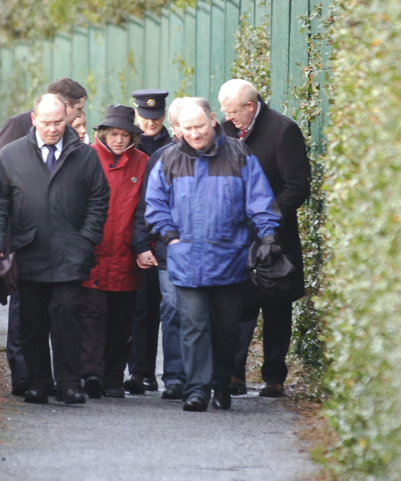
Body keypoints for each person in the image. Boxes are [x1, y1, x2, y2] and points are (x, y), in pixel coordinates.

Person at [145, 97, 280, 412]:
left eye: (199, 127)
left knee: (226, 327)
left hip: (229, 259)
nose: (194, 134)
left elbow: (259, 199)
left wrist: (268, 234)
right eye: (188, 129)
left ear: (213, 121)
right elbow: (155, 203)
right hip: (186, 260)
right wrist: (169, 235)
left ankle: (221, 384)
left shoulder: (239, 155)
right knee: (193, 326)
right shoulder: (169, 160)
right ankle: (197, 390)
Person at [0, 94, 109, 405]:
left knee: (67, 314)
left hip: (71, 253)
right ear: (34, 120)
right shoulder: (12, 155)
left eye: (58, 122)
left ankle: (69, 383)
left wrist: (87, 239)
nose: (53, 129)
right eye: (47, 122)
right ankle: (39, 381)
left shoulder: (84, 155)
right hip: (28, 250)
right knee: (32, 319)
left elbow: (98, 199)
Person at [218, 79, 311, 398]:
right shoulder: (225, 130)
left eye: (232, 111)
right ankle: (234, 375)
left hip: (276, 237)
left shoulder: (283, 130)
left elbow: (298, 186)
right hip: (237, 236)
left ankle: (274, 377)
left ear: (251, 106)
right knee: (238, 306)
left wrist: (267, 216)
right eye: (224, 111)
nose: (227, 117)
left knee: (276, 307)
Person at [80, 105, 149, 399]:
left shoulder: (143, 162)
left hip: (125, 253)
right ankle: (91, 373)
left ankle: (113, 378)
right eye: (113, 134)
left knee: (122, 321)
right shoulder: (87, 158)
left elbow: (146, 208)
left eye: (124, 135)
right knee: (92, 316)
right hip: (93, 252)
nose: (119, 140)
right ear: (104, 134)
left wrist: (143, 245)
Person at [124, 88, 171, 394]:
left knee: (167, 308)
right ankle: (141, 371)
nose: (150, 123)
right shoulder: (128, 142)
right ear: (136, 113)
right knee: (139, 310)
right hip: (135, 236)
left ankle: (171, 373)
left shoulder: (173, 145)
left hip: (164, 240)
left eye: (155, 117)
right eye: (144, 117)